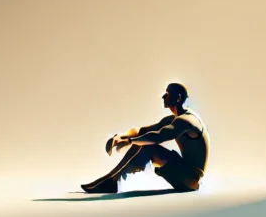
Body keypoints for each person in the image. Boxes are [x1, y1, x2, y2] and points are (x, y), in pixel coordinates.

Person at [81, 82, 210, 194]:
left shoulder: (186, 121)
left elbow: (158, 136)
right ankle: (110, 178)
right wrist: (121, 136)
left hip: (190, 179)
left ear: (178, 98)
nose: (163, 96)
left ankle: (112, 180)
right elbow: (145, 131)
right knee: (144, 140)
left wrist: (130, 141)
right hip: (185, 172)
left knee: (149, 146)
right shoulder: (174, 119)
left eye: (167, 93)